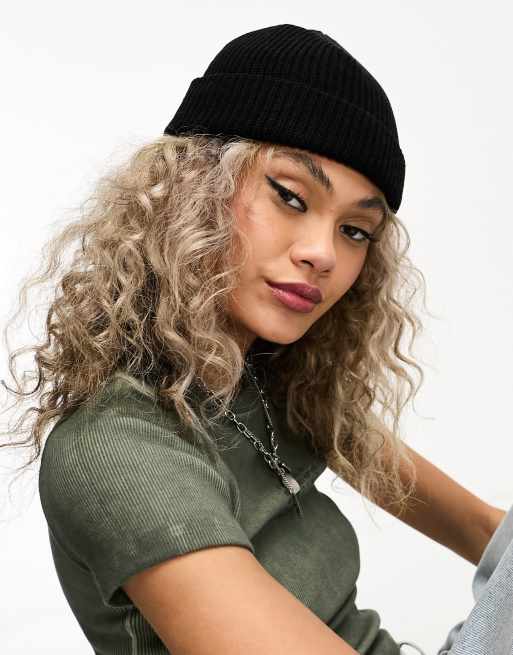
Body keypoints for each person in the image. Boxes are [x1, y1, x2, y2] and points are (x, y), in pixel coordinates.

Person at [1, 23, 508, 655]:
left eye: (356, 231)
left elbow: (485, 530)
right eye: (291, 197)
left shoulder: (272, 381)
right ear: (194, 187)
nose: (324, 254)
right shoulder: (116, 450)